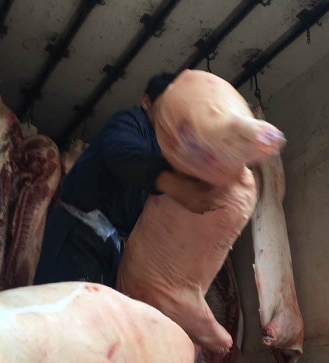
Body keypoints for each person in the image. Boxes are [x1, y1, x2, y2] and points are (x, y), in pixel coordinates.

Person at [34, 72, 221, 288]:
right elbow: (120, 151)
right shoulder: (129, 122)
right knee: (72, 316)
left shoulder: (168, 145)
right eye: (167, 105)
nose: (174, 114)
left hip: (109, 246)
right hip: (79, 237)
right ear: (146, 101)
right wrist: (173, 184)